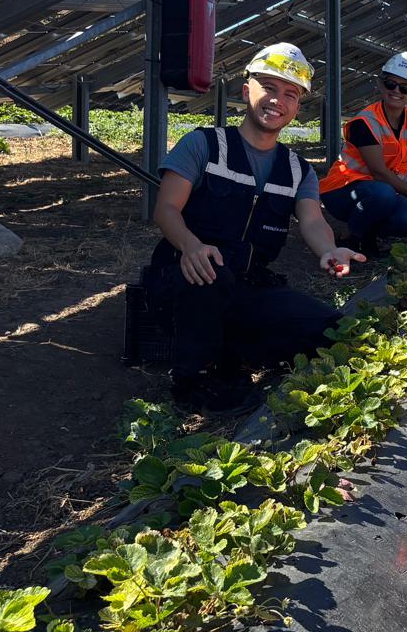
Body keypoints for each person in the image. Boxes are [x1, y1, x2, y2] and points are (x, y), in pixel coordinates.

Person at [147, 43, 363, 412]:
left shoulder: (297, 170)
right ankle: (194, 380)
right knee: (210, 272)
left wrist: (329, 250)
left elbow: (312, 219)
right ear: (247, 91)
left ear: (297, 107)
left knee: (331, 329)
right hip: (185, 281)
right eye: (269, 87)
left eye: (290, 94)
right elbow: (166, 209)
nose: (278, 100)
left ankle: (235, 350)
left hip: (247, 285)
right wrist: (190, 245)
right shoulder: (204, 145)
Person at [321, 51, 407, 247]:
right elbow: (380, 173)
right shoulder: (365, 122)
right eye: (391, 84)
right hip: (341, 191)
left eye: (405, 88)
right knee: (384, 194)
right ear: (381, 85)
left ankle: (368, 230)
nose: (397, 91)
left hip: (380, 192)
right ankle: (353, 237)